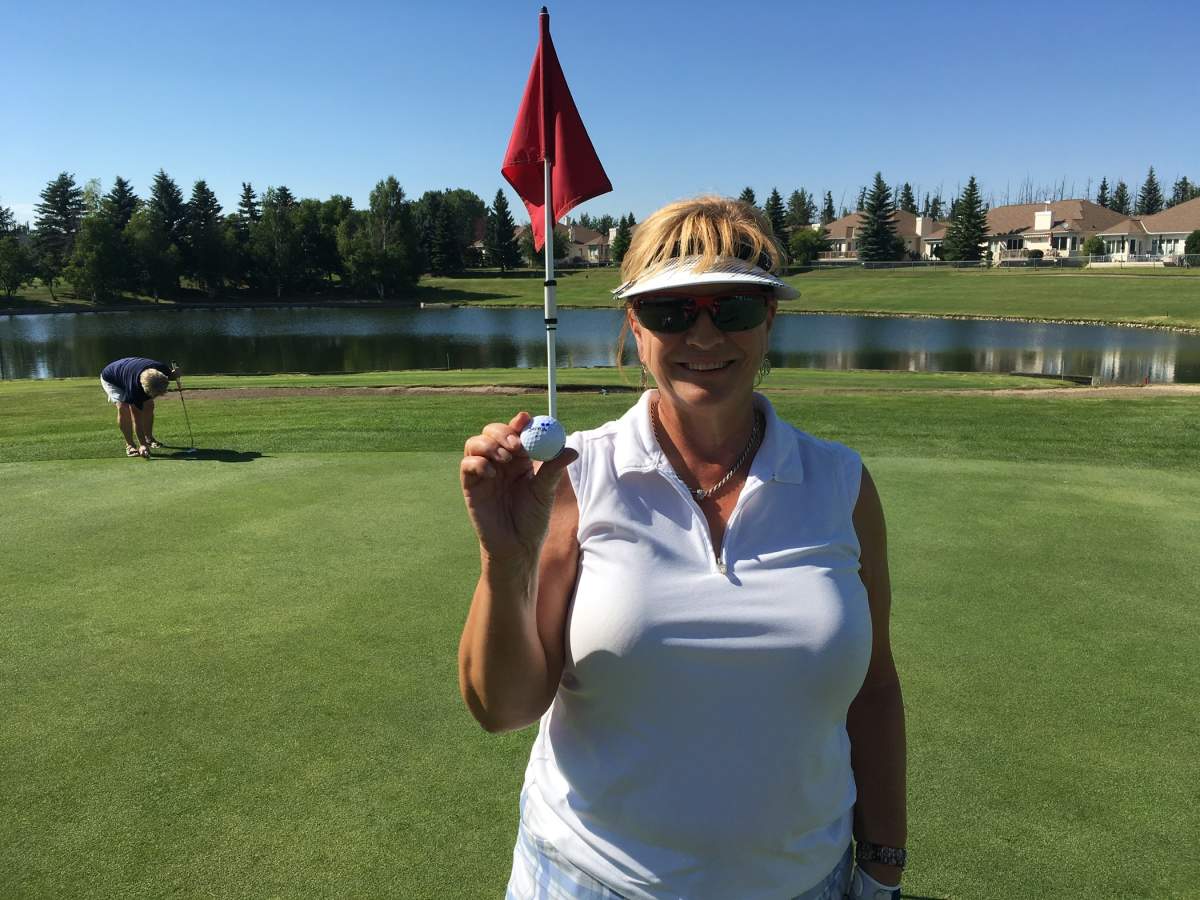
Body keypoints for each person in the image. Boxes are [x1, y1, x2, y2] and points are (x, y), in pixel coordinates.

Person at [459, 197, 907, 900]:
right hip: (589, 882)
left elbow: (874, 690)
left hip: (804, 884)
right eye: (670, 311)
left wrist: (882, 866)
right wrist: (505, 561)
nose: (703, 333)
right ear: (634, 327)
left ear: (769, 319)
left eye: (733, 307)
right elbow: (502, 708)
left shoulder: (841, 483)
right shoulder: (575, 476)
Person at [100, 357, 179, 457]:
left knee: (149, 404)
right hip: (111, 377)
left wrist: (175, 375)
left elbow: (171, 376)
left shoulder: (161, 369)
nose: (155, 397)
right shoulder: (135, 389)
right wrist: (142, 445)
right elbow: (136, 419)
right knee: (124, 407)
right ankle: (130, 445)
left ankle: (149, 438)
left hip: (129, 370)